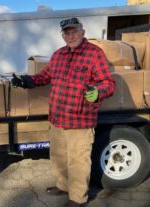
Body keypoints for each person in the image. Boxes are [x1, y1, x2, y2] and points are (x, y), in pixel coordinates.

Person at [11, 17, 115, 207]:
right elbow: (44, 76)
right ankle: (64, 185)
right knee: (58, 157)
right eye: (66, 33)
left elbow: (108, 83)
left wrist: (97, 92)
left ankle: (78, 198)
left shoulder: (94, 54)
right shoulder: (58, 55)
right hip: (58, 119)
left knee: (78, 162)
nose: (70, 36)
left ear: (82, 32)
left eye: (73, 31)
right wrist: (25, 81)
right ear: (63, 36)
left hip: (80, 121)